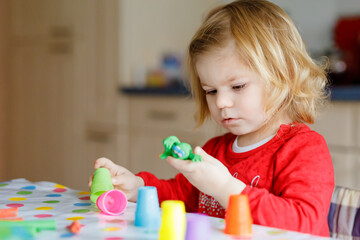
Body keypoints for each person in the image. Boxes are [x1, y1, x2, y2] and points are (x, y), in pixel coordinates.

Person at [89, 0, 334, 237]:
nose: (220, 102)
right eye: (211, 91)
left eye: (237, 86)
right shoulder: (215, 150)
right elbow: (180, 195)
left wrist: (225, 189)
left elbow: (306, 224)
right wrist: (138, 188)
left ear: (285, 75)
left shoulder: (303, 149)